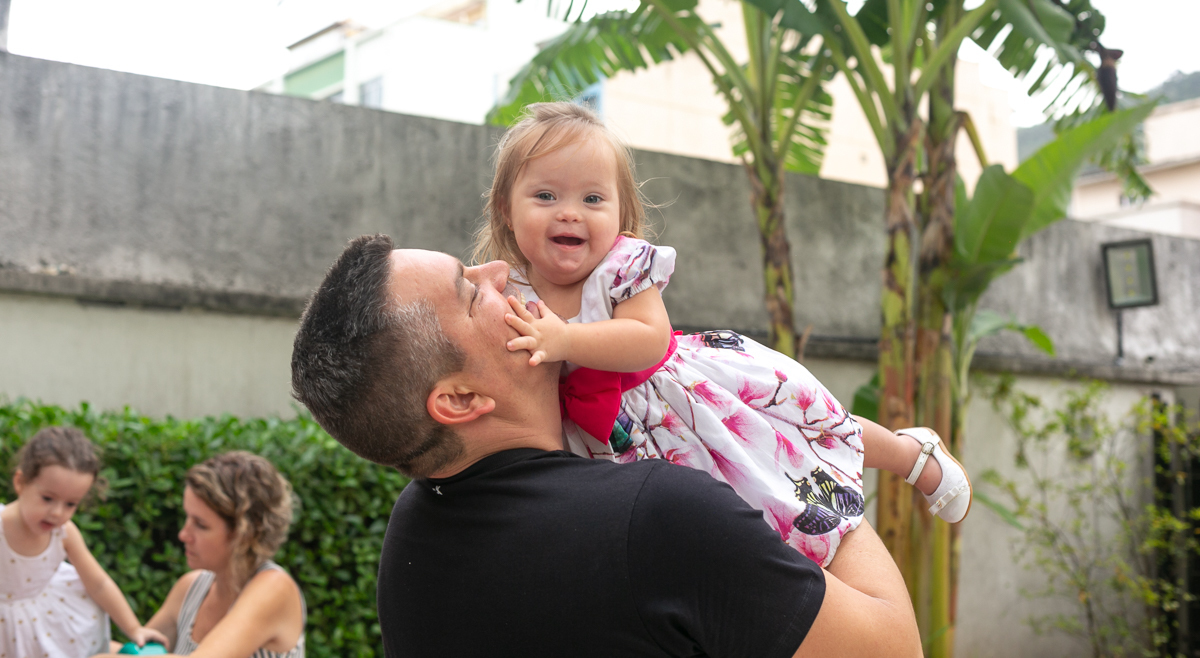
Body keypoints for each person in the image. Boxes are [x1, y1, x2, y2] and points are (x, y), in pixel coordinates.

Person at [290, 234, 923, 656]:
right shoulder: (656, 518)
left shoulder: (412, 542)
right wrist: (801, 465)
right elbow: (893, 648)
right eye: (471, 290)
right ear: (459, 400)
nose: (500, 271)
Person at [470, 101, 972, 565]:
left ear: (622, 214)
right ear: (506, 210)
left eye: (593, 198)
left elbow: (647, 337)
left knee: (802, 436)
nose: (569, 211)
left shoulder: (621, 269)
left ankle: (911, 454)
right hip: (606, 448)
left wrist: (565, 341)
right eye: (545, 195)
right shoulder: (502, 288)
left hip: (680, 402)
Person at [93, 451, 306, 658]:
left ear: (245, 534)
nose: (183, 535)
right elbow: (134, 653)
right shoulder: (190, 589)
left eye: (201, 525)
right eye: (187, 518)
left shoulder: (274, 588)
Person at [0, 426, 168, 657]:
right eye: (47, 498)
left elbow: (99, 584)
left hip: (44, 624)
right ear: (20, 482)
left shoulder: (63, 533)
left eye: (71, 504)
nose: (57, 513)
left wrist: (134, 628)